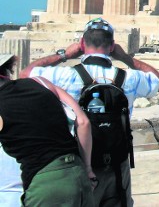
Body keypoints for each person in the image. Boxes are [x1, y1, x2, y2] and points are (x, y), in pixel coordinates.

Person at [20, 17, 159, 207]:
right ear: (112, 46)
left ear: (82, 44)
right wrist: (125, 58)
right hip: (116, 161)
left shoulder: (66, 76)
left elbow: (26, 73)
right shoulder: (128, 78)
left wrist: (64, 55)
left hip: (78, 162)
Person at [0, 53, 96, 206]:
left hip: (44, 183)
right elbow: (83, 122)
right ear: (7, 70)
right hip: (77, 174)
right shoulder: (41, 82)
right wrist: (88, 169)